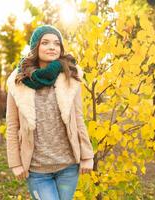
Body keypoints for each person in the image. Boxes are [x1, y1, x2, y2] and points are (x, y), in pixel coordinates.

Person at [5, 24, 94, 200]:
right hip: (37, 169)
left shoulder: (70, 76)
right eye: (45, 42)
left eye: (56, 43)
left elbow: (78, 119)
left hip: (68, 166)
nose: (52, 47)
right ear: (35, 47)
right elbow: (12, 125)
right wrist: (15, 162)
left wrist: (87, 155)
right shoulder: (18, 81)